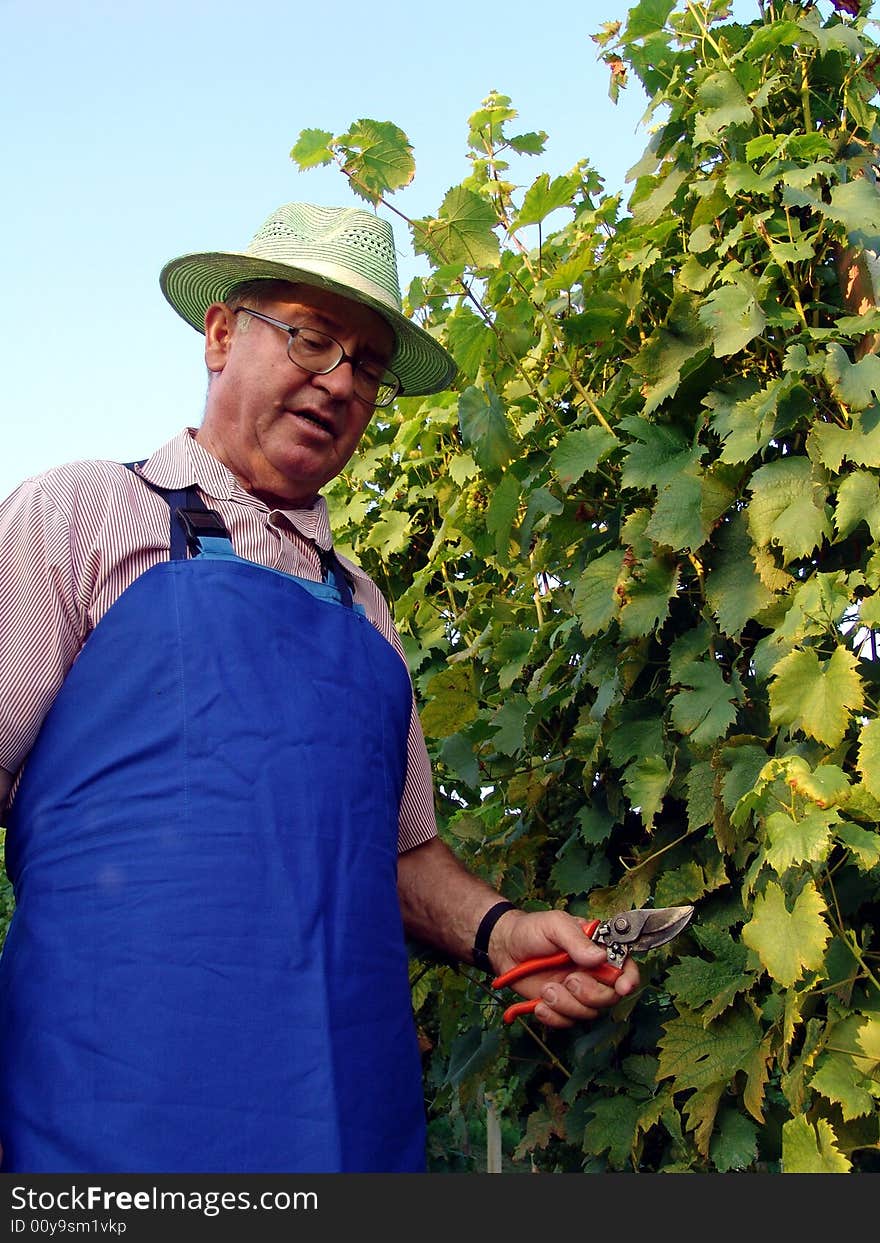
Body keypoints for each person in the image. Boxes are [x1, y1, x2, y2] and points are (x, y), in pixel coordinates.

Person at [0, 202, 638, 1173]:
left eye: (367, 363)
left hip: (349, 1125)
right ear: (221, 334)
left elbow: (397, 861)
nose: (339, 380)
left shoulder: (365, 611)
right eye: (309, 336)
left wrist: (502, 931)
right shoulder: (82, 516)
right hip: (107, 1119)